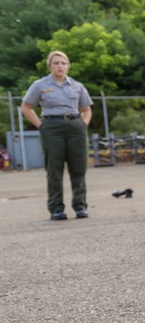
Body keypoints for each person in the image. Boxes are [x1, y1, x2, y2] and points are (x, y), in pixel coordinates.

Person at [19, 51, 93, 221]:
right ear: (50, 66)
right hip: (52, 127)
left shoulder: (77, 86)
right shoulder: (40, 85)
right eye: (56, 63)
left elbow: (86, 109)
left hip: (75, 127)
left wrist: (83, 124)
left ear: (68, 66)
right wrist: (41, 125)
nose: (60, 66)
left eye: (64, 63)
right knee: (54, 169)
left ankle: (80, 205)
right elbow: (26, 106)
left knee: (79, 168)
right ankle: (56, 208)